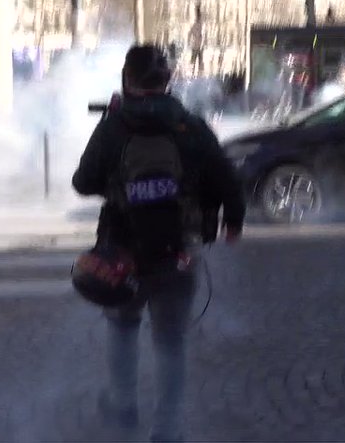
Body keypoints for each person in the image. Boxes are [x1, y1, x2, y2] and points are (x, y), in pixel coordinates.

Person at [72, 44, 244, 443]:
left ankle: (123, 405)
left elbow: (83, 182)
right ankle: (167, 430)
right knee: (171, 341)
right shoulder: (190, 125)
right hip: (179, 250)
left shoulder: (114, 125)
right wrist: (232, 223)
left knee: (122, 325)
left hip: (122, 249)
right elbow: (226, 178)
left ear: (127, 80)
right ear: (167, 81)